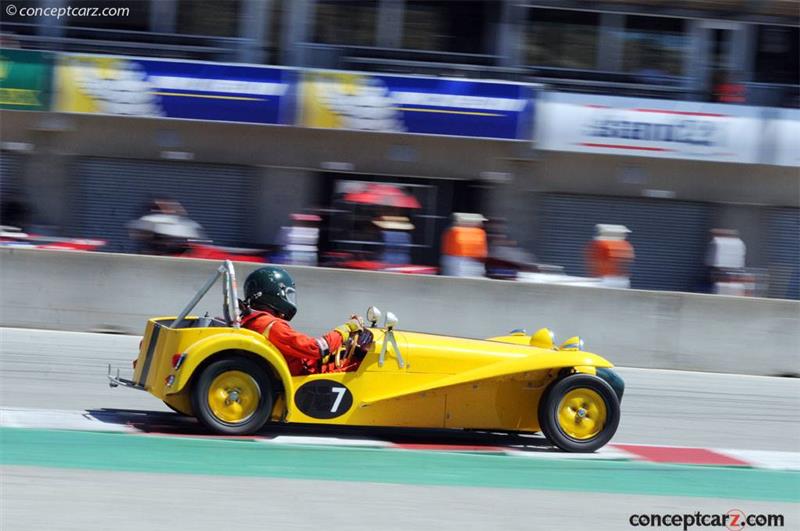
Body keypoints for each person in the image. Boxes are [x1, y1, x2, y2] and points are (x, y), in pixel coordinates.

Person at [239, 266, 363, 375]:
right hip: (307, 376)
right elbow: (316, 348)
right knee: (360, 364)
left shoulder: (249, 321)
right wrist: (345, 330)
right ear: (274, 294)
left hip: (302, 366)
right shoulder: (271, 326)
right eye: (287, 295)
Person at [585, 224, 635, 288]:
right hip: (621, 280)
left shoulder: (600, 244)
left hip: (604, 280)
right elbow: (627, 263)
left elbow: (595, 262)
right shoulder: (625, 245)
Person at [440, 213, 488, 278]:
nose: (480, 223)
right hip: (459, 260)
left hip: (469, 261)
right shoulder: (456, 231)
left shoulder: (479, 232)